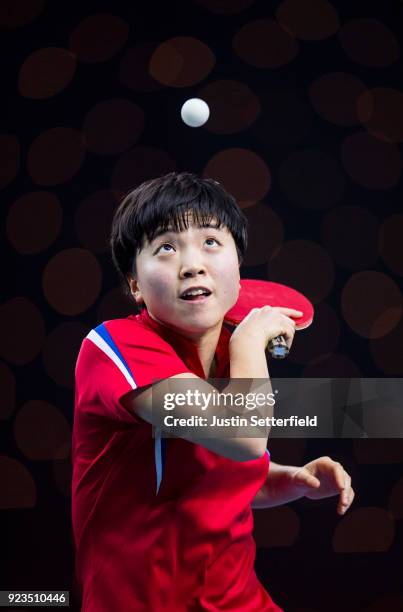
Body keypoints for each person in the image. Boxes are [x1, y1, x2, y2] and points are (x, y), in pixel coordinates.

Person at [72, 172, 354, 611]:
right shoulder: (113, 350)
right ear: (134, 286)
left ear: (237, 267)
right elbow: (241, 435)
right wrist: (248, 342)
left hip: (237, 599)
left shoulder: (230, 349)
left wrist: (288, 481)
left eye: (210, 242)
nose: (191, 264)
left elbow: (218, 476)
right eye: (165, 247)